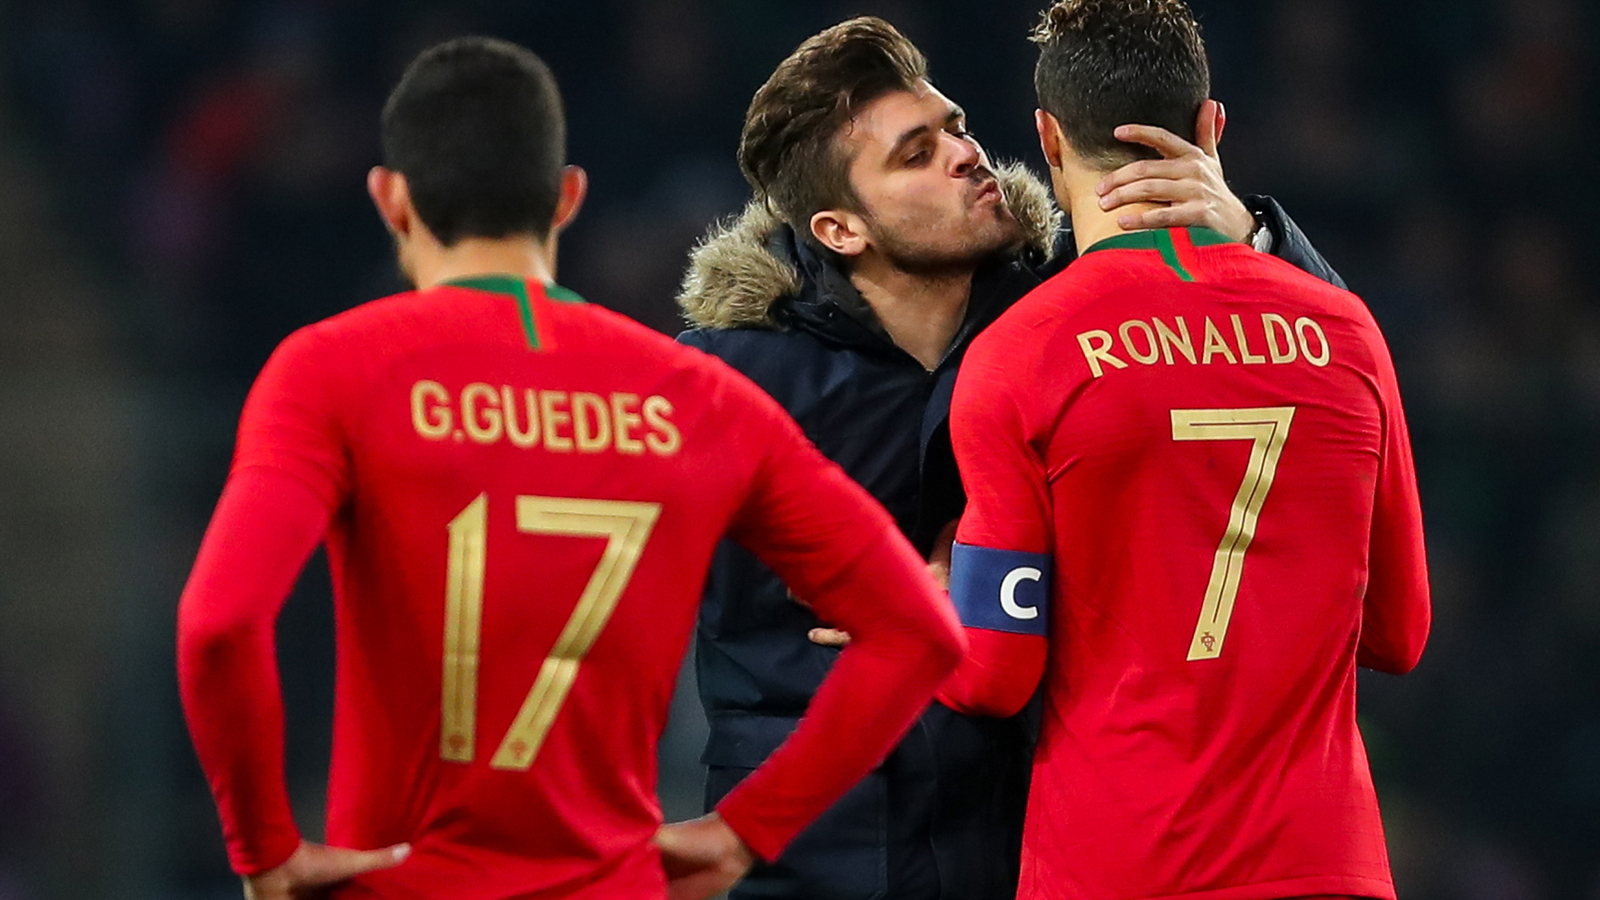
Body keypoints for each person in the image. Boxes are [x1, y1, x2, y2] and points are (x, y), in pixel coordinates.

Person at [175, 36, 967, 900]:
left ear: (391, 199)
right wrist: (748, 831)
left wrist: (265, 850)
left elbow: (219, 624)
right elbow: (917, 632)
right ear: (567, 198)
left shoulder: (332, 370)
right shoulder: (694, 396)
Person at [676, 15, 1347, 900]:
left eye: (954, 127)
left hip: (1023, 841)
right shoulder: (727, 383)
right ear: (841, 229)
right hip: (806, 862)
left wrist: (1250, 241)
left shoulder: (1076, 318)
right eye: (915, 153)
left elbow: (1327, 391)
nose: (964, 154)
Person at [937, 2, 1431, 899]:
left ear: (1047, 140)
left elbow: (996, 672)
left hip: (1117, 864)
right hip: (1324, 863)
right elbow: (1399, 631)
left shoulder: (1021, 351)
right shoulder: (1346, 332)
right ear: (1212, 127)